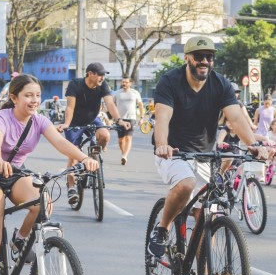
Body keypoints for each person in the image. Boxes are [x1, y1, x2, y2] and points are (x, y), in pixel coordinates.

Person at [147, 35, 273, 258]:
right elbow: (163, 117)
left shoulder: (220, 84)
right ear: (187, 58)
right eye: (199, 56)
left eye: (209, 57)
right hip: (174, 153)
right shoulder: (170, 81)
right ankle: (163, 228)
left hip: (204, 155)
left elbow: (235, 118)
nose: (204, 61)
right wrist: (162, 145)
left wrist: (253, 145)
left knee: (206, 215)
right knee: (186, 184)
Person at [0, 74, 99, 275]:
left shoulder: (39, 120)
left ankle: (19, 238)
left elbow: (60, 142)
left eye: (37, 95)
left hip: (14, 173)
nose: (34, 100)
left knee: (43, 202)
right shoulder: (2, 117)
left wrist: (85, 158)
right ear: (14, 98)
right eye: (28, 95)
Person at [57, 62, 130, 204]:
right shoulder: (75, 84)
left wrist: (119, 120)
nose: (102, 77)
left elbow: (110, 104)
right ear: (90, 74)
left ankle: (92, 158)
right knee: (73, 156)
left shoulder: (103, 85)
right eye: (100, 75)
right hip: (74, 122)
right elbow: (70, 107)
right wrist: (66, 124)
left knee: (105, 135)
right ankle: (71, 186)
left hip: (92, 119)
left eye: (104, 75)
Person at [113, 77, 144, 165]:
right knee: (121, 140)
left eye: (126, 82)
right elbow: (112, 105)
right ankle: (123, 153)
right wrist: (114, 117)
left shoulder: (135, 93)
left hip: (131, 118)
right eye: (123, 82)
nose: (124, 84)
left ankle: (124, 156)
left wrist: (141, 117)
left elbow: (140, 105)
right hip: (120, 119)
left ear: (130, 83)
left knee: (128, 137)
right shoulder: (117, 93)